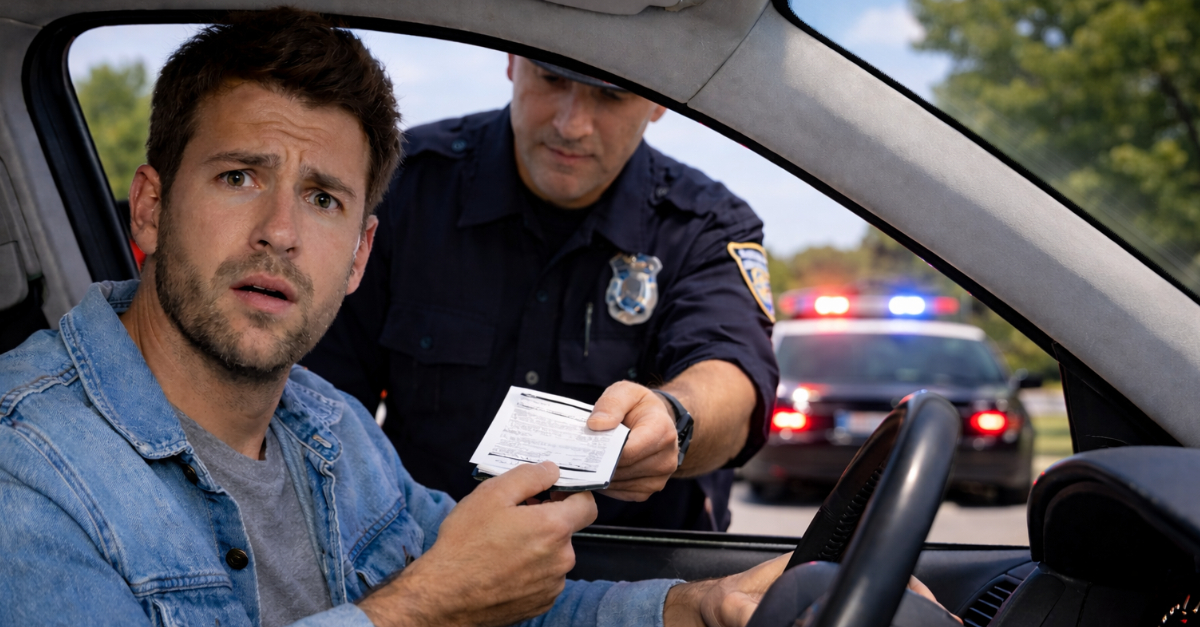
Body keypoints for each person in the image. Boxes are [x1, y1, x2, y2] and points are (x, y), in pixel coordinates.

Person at [0, 9, 801, 626]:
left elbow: (509, 600)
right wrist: (423, 606)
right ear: (149, 208)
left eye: (322, 199)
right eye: (240, 176)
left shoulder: (331, 431)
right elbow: (454, 594)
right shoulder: (27, 468)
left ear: (356, 256)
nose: (280, 230)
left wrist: (695, 607)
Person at [302, 51, 779, 531]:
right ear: (512, 62)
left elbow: (734, 382)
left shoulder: (703, 226)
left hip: (631, 578)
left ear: (659, 102)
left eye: (612, 95)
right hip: (426, 556)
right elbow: (321, 401)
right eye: (551, 79)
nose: (571, 124)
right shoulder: (405, 187)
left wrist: (672, 418)